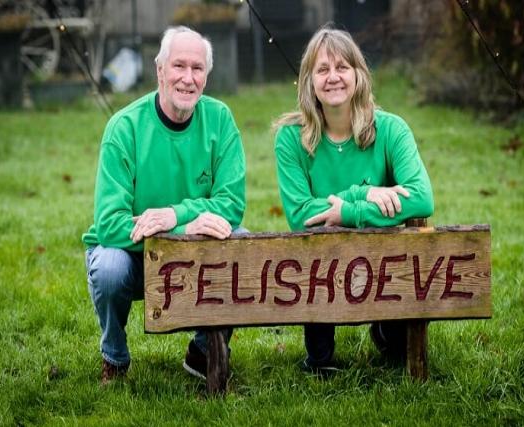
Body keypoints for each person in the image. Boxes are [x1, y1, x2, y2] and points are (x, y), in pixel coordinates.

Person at [82, 26, 246, 384]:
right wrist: (183, 227)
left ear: (207, 75)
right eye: (179, 66)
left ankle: (202, 352)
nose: (188, 78)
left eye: (197, 68)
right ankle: (114, 354)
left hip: (193, 251)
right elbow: (110, 224)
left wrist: (176, 217)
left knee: (240, 243)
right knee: (108, 269)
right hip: (133, 255)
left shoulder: (220, 119)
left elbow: (231, 205)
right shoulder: (123, 127)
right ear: (160, 70)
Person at [274, 27, 434, 375]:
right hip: (320, 263)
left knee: (395, 351)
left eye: (343, 67)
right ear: (309, 81)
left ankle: (386, 330)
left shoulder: (391, 129)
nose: (333, 78)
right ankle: (320, 356)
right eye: (322, 69)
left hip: (382, 258)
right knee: (317, 244)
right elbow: (301, 215)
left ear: (359, 76)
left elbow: (421, 198)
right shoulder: (291, 138)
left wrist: (349, 211)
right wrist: (363, 193)